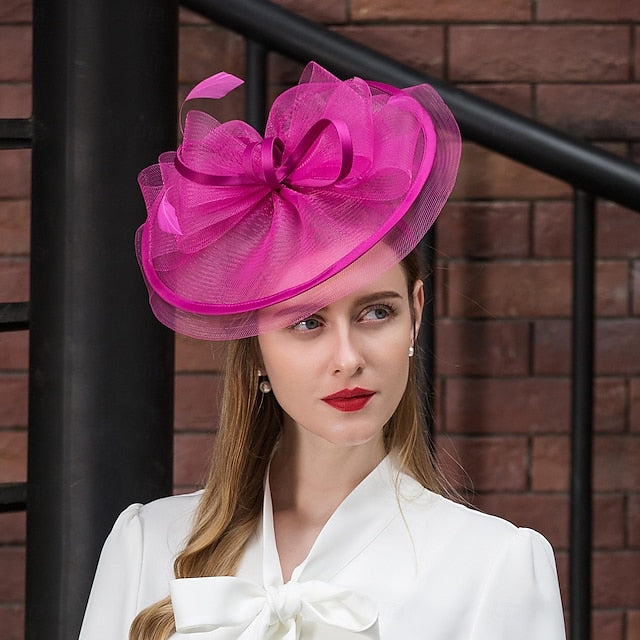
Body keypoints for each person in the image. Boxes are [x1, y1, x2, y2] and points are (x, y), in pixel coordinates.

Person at [79, 62, 566, 639]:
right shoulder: (145, 544)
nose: (348, 357)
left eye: (376, 313)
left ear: (416, 312)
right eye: (307, 322)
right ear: (255, 346)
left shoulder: (493, 566)